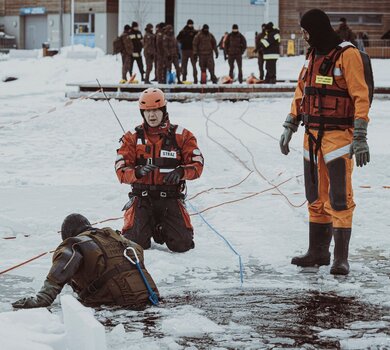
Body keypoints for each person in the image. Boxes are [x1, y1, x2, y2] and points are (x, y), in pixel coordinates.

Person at [279, 9, 372, 275]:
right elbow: (302, 91)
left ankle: (340, 259)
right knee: (314, 196)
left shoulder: (348, 55)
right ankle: (318, 251)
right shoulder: (312, 56)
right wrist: (290, 123)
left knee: (339, 198)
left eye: (306, 31)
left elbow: (360, 96)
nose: (304, 36)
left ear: (316, 29)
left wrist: (360, 135)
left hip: (338, 137)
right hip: (312, 137)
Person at [115, 88, 204, 252]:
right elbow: (120, 170)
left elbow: (197, 165)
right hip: (142, 199)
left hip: (169, 198)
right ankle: (145, 226)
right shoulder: (131, 138)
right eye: (147, 111)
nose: (152, 115)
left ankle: (162, 227)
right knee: (134, 244)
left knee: (182, 245)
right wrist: (136, 172)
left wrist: (181, 172)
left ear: (163, 110)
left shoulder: (182, 136)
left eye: (156, 110)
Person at [12, 214, 159, 308]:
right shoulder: (120, 239)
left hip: (118, 305)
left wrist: (43, 298)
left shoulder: (77, 242)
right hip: (150, 299)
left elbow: (66, 260)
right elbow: (133, 254)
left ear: (69, 234)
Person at [177, 19, 198, 83]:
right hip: (184, 51)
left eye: (192, 24)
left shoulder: (195, 32)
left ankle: (195, 79)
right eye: (190, 24)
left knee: (194, 65)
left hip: (192, 51)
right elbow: (177, 39)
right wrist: (183, 42)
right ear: (187, 24)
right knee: (184, 66)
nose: (191, 25)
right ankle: (184, 79)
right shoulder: (183, 32)